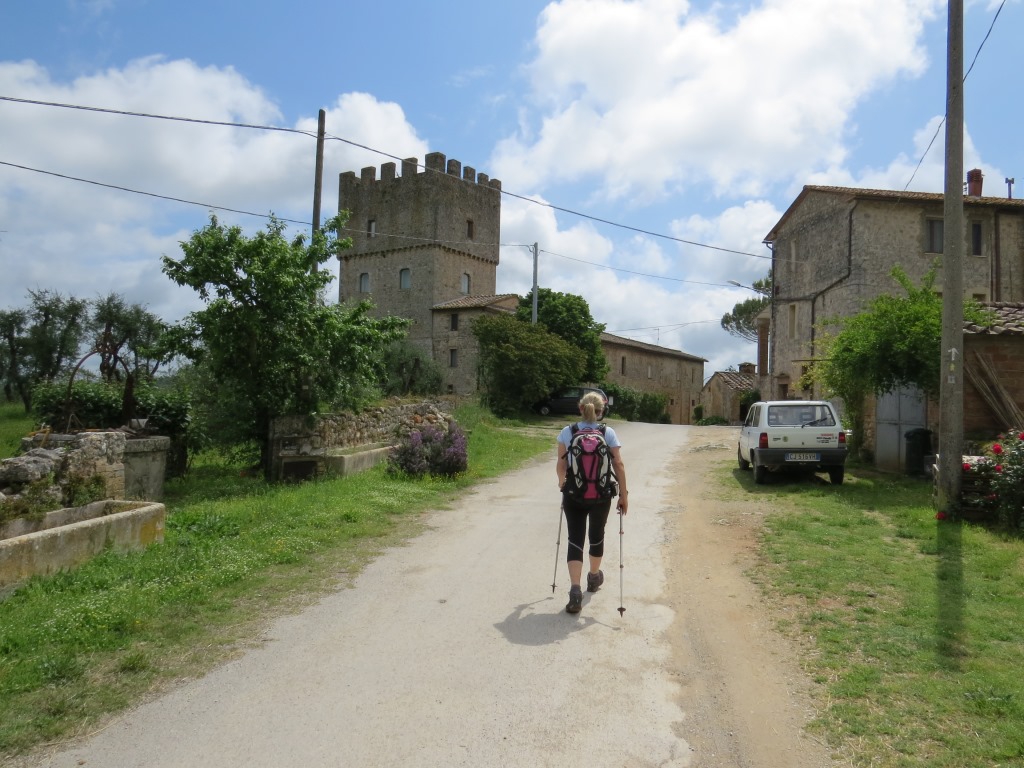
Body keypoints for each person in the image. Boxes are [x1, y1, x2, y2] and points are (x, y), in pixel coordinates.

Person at [555, 391, 628, 614]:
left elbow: (561, 465)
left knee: (575, 539)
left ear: (580, 408)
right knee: (596, 536)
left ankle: (575, 591)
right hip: (601, 495)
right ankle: (594, 577)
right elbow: (618, 464)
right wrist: (624, 495)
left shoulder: (568, 432)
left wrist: (562, 484)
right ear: (601, 411)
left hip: (574, 494)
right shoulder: (608, 433)